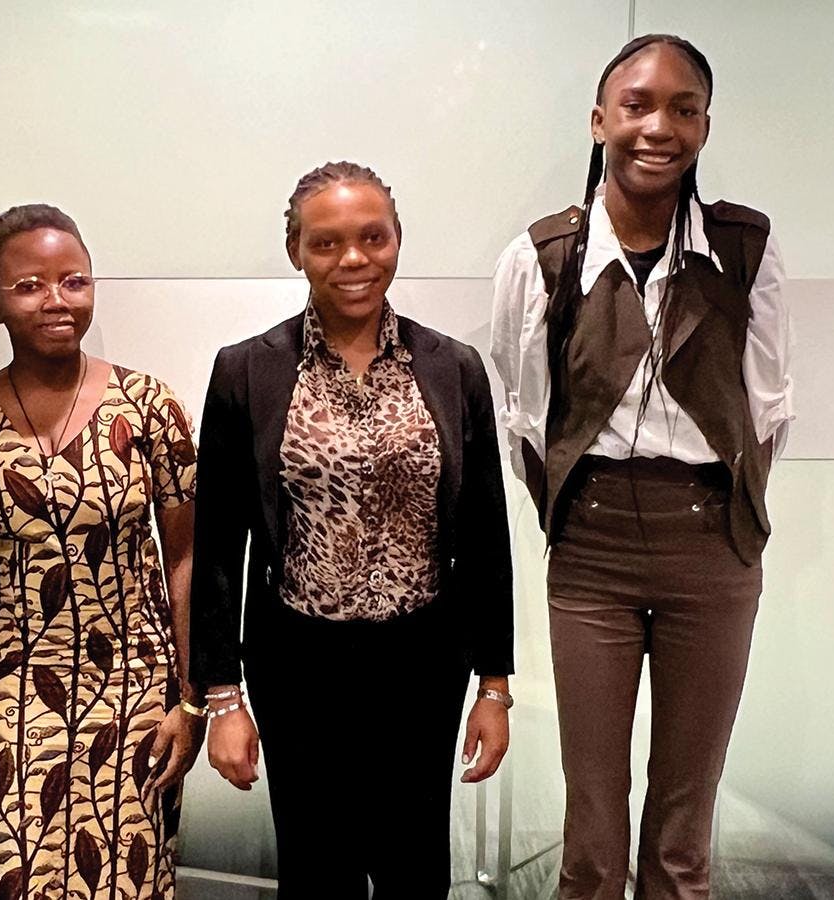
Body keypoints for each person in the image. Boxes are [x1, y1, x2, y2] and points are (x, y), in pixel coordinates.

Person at [487, 34, 795, 900]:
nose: (658, 126)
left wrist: (730, 516)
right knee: (592, 823)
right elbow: (528, 418)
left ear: (703, 126)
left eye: (683, 108)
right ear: (599, 121)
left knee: (684, 825)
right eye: (637, 105)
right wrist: (577, 513)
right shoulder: (542, 258)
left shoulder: (745, 249)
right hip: (590, 554)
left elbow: (770, 412)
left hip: (713, 546)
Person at [190, 162, 515, 899]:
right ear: (296, 251)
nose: (354, 259)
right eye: (327, 242)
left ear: (398, 239)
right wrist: (221, 697)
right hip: (298, 663)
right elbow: (217, 548)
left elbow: (485, 537)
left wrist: (493, 686)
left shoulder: (452, 368)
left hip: (423, 662)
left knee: (414, 870)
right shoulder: (247, 371)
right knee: (316, 871)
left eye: (373, 237)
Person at [0, 204, 204, 899]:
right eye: (29, 284)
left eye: (74, 280)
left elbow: (186, 558)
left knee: (132, 876)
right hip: (12, 687)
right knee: (22, 874)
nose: (56, 300)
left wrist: (191, 700)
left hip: (137, 685)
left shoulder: (151, 407)